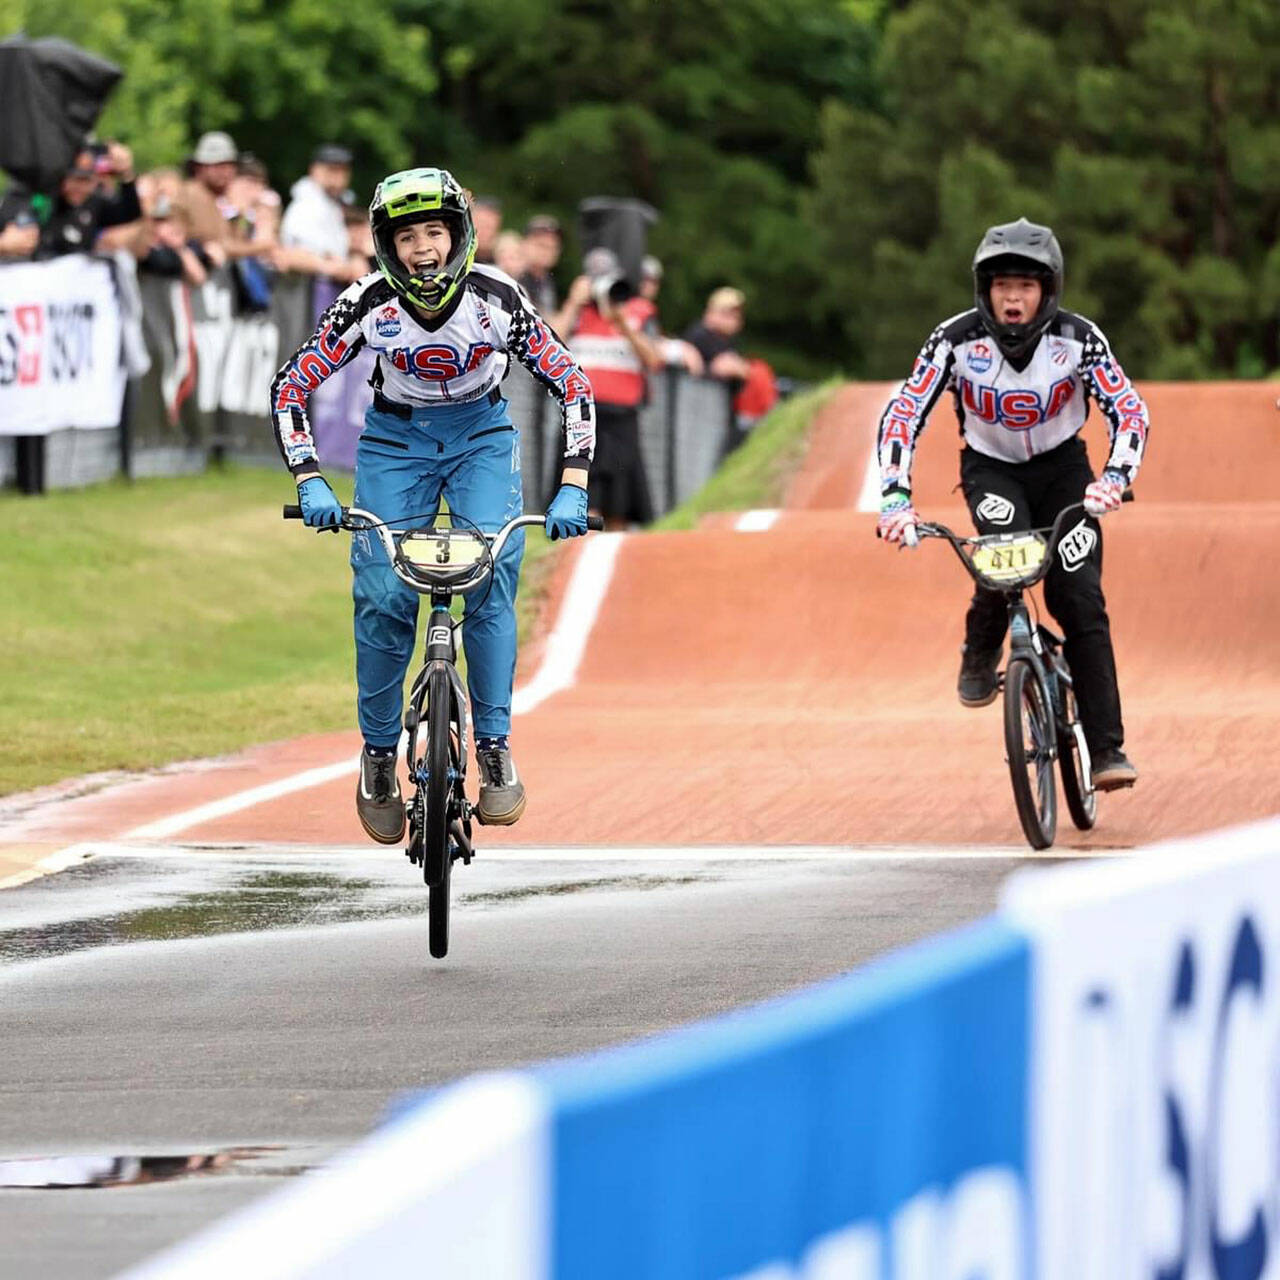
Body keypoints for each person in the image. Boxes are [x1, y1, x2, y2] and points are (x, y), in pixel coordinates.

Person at [269, 167, 596, 841]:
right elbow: (288, 386)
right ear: (387, 246)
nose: (423, 249)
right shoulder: (365, 303)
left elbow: (574, 384)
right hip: (395, 440)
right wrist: (308, 477)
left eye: (435, 232)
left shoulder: (498, 296)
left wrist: (572, 483)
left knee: (492, 578)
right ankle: (380, 754)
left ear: (460, 235)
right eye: (408, 235)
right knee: (384, 593)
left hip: (481, 434)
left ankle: (495, 749)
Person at [875, 217, 1148, 791]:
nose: (1013, 299)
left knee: (1078, 597)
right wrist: (896, 497)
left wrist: (1114, 476)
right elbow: (904, 412)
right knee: (1006, 558)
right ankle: (980, 650)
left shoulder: (1079, 339)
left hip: (1065, 471)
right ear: (984, 290)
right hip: (991, 469)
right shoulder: (953, 340)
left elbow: (1130, 411)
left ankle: (1106, 750)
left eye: (1026, 286)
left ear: (1048, 291)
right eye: (1002, 286)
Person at [559, 247, 663, 528]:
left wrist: (623, 324)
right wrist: (572, 303)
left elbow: (654, 359)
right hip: (581, 415)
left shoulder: (638, 311)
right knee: (583, 493)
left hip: (622, 417)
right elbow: (548, 341)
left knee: (620, 501)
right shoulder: (578, 312)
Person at [34, 141, 141, 258]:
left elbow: (130, 213)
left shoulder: (93, 204)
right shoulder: (47, 202)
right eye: (75, 180)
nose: (79, 188)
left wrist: (126, 175)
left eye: (86, 181)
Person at [279, 144, 363, 284]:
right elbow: (288, 255)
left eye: (343, 170)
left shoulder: (340, 204)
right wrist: (329, 267)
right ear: (315, 170)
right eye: (332, 170)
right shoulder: (304, 205)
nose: (338, 177)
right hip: (308, 291)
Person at [518, 214, 562, 319]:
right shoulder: (517, 278)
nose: (547, 251)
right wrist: (574, 302)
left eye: (553, 246)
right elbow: (546, 330)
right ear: (524, 244)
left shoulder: (545, 279)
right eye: (541, 245)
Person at [471, 195, 502, 264]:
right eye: (481, 225)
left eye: (489, 227)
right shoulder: (455, 259)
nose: (485, 232)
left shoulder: (502, 264)